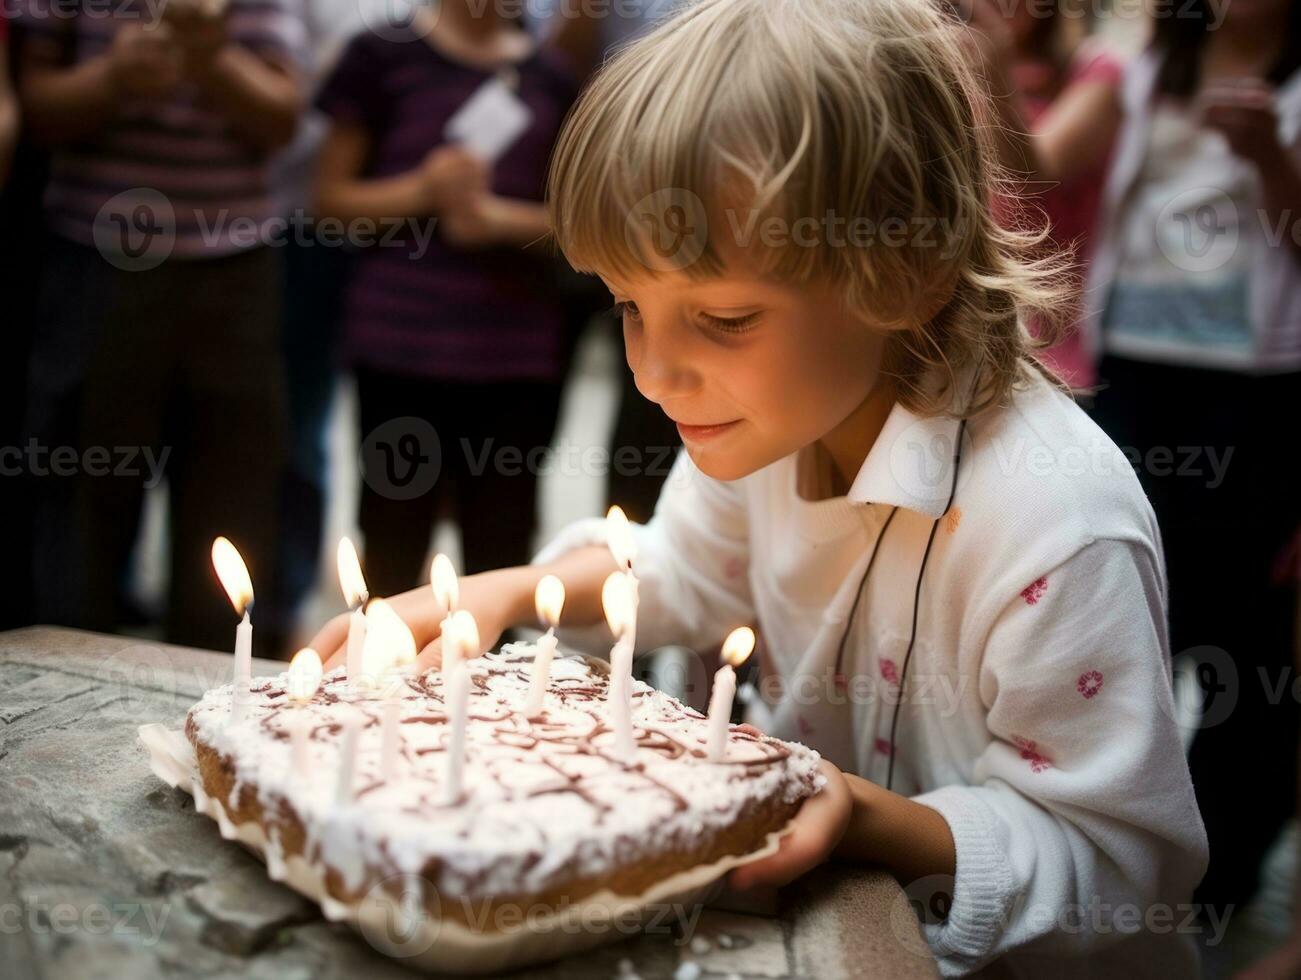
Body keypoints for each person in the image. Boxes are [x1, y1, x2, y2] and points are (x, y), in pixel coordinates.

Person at [310, 0, 1207, 974]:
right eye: (628, 306)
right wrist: (505, 592)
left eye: (725, 316)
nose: (655, 373)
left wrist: (872, 816)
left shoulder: (1053, 524)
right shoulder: (778, 416)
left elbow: (1122, 868)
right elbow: (683, 573)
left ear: (902, 272)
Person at [1080, 0, 1301, 942]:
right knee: (1119, 603)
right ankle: (1102, 855)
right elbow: (1045, 168)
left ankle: (1209, 890)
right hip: (1131, 369)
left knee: (1236, 626)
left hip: (1251, 391)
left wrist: (1269, 162)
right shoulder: (1142, 63)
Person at [18, 0, 303, 653]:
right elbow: (35, 109)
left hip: (237, 267)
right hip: (97, 262)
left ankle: (219, 703)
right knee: (82, 498)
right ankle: (64, 695)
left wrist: (211, 58)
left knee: (232, 495)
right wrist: (116, 73)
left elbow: (284, 118)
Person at [312, 0, 580, 597]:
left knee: (503, 546)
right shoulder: (381, 55)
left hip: (513, 354)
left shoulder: (554, 77)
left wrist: (499, 221)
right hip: (399, 347)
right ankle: (377, 687)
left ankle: (497, 690)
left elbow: (584, 223)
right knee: (391, 538)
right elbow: (329, 203)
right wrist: (423, 191)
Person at [962, 0, 1125, 395]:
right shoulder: (949, 67)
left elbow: (1029, 178)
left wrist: (992, 70)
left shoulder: (1099, 73)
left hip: (1047, 353)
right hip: (960, 338)